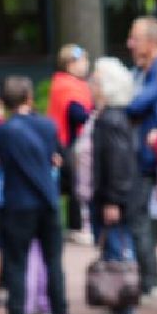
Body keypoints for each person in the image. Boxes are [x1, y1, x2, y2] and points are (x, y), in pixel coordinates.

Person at [0, 75, 66, 314]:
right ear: (30, 97)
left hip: (18, 202)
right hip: (47, 199)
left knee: (16, 262)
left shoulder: (1, 132)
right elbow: (57, 156)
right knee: (53, 261)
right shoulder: (47, 125)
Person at [89, 58, 148, 314]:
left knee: (118, 249)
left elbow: (117, 162)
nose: (91, 85)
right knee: (116, 246)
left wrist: (112, 199)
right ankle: (119, 302)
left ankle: (124, 305)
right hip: (116, 194)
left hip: (115, 196)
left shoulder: (111, 119)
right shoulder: (112, 117)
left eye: (96, 80)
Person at [125, 17, 157, 294]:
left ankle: (150, 280)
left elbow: (135, 105)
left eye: (136, 38)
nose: (130, 44)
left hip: (151, 156)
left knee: (139, 216)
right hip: (145, 154)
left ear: (152, 43)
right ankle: (151, 277)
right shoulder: (143, 70)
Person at [48, 44, 94, 237]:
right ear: (70, 64)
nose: (87, 64)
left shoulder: (68, 83)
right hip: (69, 142)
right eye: (83, 61)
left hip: (69, 141)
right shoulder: (66, 85)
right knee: (77, 183)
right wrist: (94, 117)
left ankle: (75, 225)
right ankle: (77, 226)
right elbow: (76, 114)